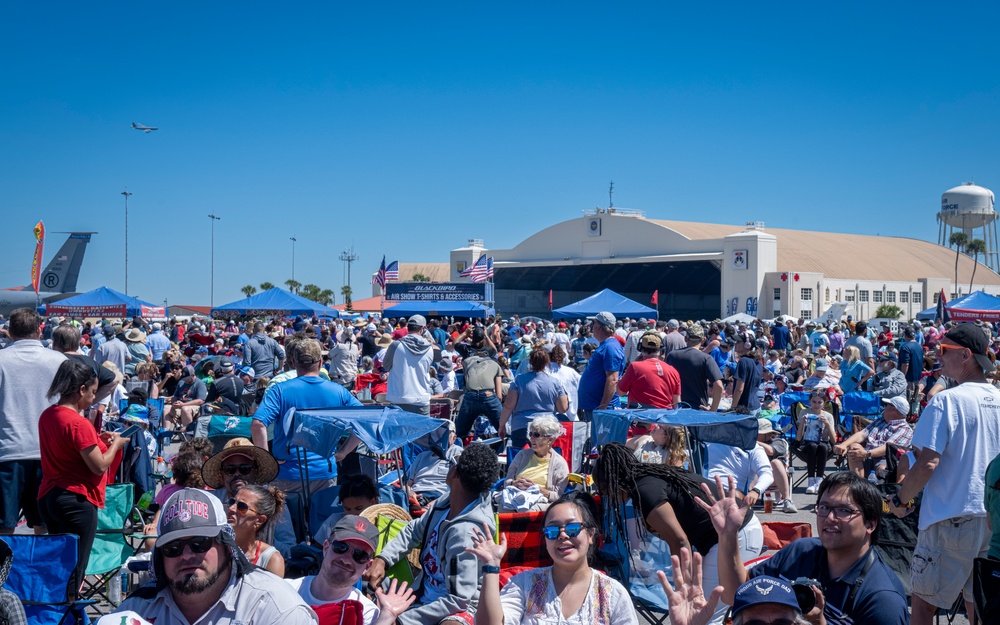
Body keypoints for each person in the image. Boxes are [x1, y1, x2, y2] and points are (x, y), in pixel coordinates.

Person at [890, 323, 1000, 625]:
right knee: (976, 604)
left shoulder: (946, 401)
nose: (938, 357)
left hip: (950, 518)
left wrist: (900, 499)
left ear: (965, 355)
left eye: (943, 350)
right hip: (991, 518)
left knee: (924, 605)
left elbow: (927, 463)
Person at [702, 471, 909, 625]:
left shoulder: (882, 600)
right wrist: (728, 535)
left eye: (844, 511)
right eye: (824, 507)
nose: (829, 518)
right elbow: (735, 594)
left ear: (870, 524)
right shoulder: (801, 552)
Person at [593, 442, 763, 625]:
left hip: (736, 533)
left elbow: (680, 542)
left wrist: (685, 588)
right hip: (731, 533)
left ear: (615, 482)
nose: (607, 497)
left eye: (604, 491)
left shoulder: (645, 491)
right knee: (707, 613)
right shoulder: (648, 476)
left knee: (705, 615)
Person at [115, 488, 316, 625]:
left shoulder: (274, 608)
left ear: (227, 546)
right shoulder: (135, 610)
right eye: (173, 548)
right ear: (160, 557)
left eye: (199, 543)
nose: (186, 555)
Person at [365, 443, 498, 625]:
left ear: (455, 473)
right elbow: (414, 530)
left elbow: (459, 600)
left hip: (459, 609)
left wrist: (402, 620)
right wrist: (383, 559)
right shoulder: (447, 502)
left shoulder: (466, 533)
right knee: (363, 577)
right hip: (422, 592)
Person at [468, 491, 638, 625]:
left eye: (572, 528)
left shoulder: (612, 594)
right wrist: (491, 567)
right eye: (552, 531)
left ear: (591, 535)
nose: (562, 535)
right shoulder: (524, 585)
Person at [37, 359, 130, 594]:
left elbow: (73, 450)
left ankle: (55, 610)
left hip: (50, 496)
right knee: (76, 568)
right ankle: (69, 612)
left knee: (58, 565)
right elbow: (99, 466)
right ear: (81, 390)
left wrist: (102, 442)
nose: (94, 396)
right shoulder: (78, 423)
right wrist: (116, 445)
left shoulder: (48, 415)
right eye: (92, 391)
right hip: (77, 499)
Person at [252, 339, 362, 496]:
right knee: (320, 519)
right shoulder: (338, 391)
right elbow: (364, 421)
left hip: (287, 474)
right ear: (320, 362)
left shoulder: (279, 390)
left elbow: (258, 424)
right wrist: (344, 452)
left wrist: (266, 460)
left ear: (293, 362)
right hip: (324, 471)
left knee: (287, 520)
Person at [288, 515, 416, 625]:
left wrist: (386, 617)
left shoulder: (367, 613)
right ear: (326, 548)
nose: (346, 560)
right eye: (341, 547)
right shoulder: (287, 590)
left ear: (367, 566)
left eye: (359, 555)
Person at [498, 348, 568, 451]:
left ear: (530, 362)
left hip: (522, 426)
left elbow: (508, 405)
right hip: (547, 427)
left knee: (521, 460)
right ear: (546, 362)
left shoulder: (519, 380)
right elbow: (563, 408)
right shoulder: (555, 382)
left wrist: (502, 425)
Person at [501, 415, 569, 511]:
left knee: (527, 509)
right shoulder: (522, 455)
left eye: (536, 435)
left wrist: (536, 489)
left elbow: (558, 496)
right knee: (504, 505)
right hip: (516, 495)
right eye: (531, 434)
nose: (531, 438)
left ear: (550, 439)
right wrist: (514, 483)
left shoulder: (560, 464)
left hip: (541, 501)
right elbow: (507, 482)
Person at [834, 396, 913, 478]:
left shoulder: (905, 429)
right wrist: (843, 444)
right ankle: (858, 486)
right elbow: (862, 434)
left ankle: (875, 486)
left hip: (885, 459)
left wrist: (866, 454)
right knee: (854, 448)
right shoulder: (880, 421)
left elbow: (887, 448)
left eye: (886, 405)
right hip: (867, 455)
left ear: (893, 409)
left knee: (882, 470)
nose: (884, 407)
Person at [227, 484, 286, 577]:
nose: (231, 509)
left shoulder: (271, 559)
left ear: (260, 520)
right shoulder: (215, 548)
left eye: (241, 506)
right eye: (232, 502)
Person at [578, 312, 625, 421]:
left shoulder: (610, 347)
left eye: (593, 323)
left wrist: (602, 408)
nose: (591, 326)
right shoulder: (606, 346)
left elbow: (613, 379)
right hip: (595, 406)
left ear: (599, 327)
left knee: (599, 438)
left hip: (602, 408)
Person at [383, 316, 434, 415]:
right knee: (422, 430)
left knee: (399, 430)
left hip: (399, 398)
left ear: (407, 327)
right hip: (421, 398)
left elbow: (386, 366)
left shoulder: (396, 345)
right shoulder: (430, 348)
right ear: (422, 328)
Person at [666, 324, 723, 412]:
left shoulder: (672, 356)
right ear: (703, 340)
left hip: (674, 409)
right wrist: (713, 410)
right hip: (698, 410)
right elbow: (719, 386)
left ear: (685, 338)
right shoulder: (706, 359)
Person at [617, 331, 681, 409]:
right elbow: (676, 403)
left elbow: (620, 392)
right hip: (664, 418)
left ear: (640, 349)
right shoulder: (673, 371)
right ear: (661, 351)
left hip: (640, 418)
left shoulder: (635, 367)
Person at [406, 423, 463, 505]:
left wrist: (438, 502)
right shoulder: (422, 456)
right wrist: (410, 494)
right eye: (436, 432)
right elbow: (407, 484)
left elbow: (461, 484)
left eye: (444, 432)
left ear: (454, 438)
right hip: (416, 494)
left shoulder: (456, 452)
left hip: (441, 496)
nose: (439, 435)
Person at [796, 389, 837, 494]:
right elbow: (798, 438)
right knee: (813, 446)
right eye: (814, 402)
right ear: (810, 401)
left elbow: (834, 440)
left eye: (820, 402)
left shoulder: (828, 416)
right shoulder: (804, 412)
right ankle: (811, 480)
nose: (816, 405)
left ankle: (819, 481)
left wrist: (827, 424)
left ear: (824, 403)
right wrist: (802, 423)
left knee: (822, 447)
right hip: (807, 443)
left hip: (823, 443)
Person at [755, 419, 797, 513]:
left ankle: (787, 501)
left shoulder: (779, 442)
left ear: (767, 434)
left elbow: (770, 451)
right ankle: (743, 502)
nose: (755, 435)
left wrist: (755, 443)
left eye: (758, 433)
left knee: (775, 462)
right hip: (756, 477)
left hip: (774, 477)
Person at [897, 327, 925, 402]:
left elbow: (905, 364)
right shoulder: (919, 346)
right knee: (915, 401)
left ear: (905, 335)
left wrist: (902, 377)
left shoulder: (905, 347)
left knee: (907, 400)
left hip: (908, 379)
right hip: (917, 378)